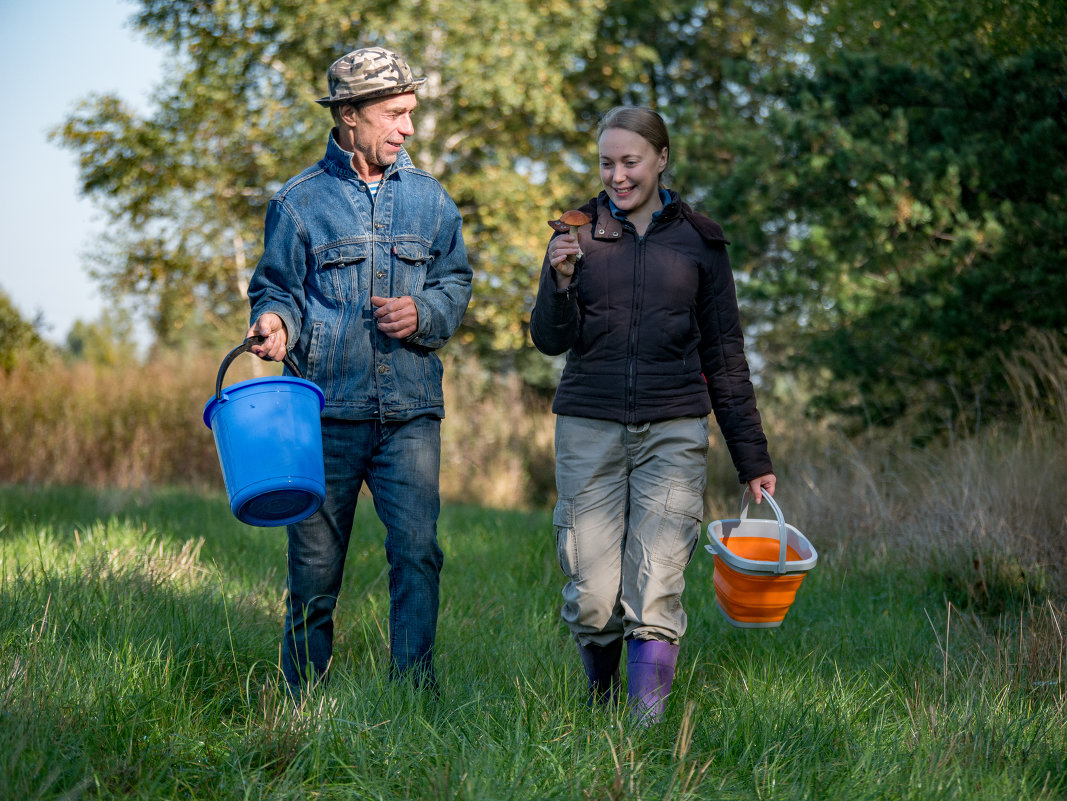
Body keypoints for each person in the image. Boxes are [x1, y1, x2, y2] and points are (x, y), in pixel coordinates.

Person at [530, 106, 775, 724]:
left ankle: (645, 730)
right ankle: (601, 700)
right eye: (607, 163)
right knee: (591, 595)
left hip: (673, 428)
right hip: (589, 426)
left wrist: (752, 460)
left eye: (630, 161)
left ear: (661, 159)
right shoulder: (574, 233)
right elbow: (549, 340)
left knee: (656, 580)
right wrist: (558, 284)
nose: (617, 175)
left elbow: (725, 355)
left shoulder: (701, 241)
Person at [245, 46, 472, 697]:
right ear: (348, 114)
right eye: (393, 114)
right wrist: (274, 324)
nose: (405, 127)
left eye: (410, 114)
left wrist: (424, 310)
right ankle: (300, 699)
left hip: (410, 416)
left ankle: (413, 696)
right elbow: (277, 290)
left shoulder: (432, 202)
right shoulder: (296, 205)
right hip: (323, 416)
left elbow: (454, 283)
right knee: (314, 568)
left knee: (418, 556)